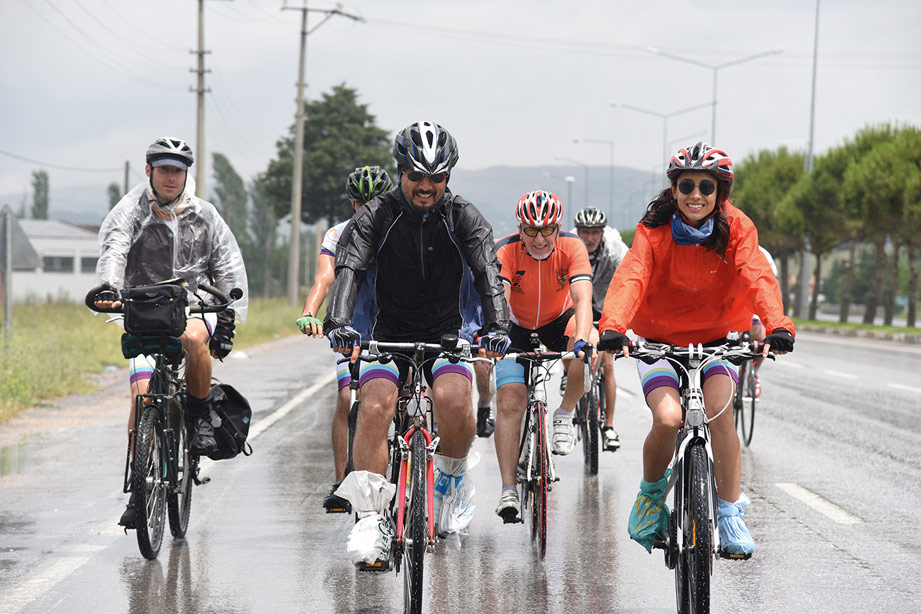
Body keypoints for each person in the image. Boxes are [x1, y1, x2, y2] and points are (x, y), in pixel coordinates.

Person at [322, 121, 510, 564]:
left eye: (437, 177)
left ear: (448, 177)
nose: (426, 187)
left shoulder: (464, 216)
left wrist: (497, 326)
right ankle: (370, 518)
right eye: (417, 176)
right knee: (373, 405)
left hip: (446, 331)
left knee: (454, 399)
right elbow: (349, 269)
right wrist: (339, 321)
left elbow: (488, 273)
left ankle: (449, 478)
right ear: (401, 170)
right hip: (389, 334)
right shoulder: (376, 215)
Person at [597, 142, 794, 559]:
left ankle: (728, 512)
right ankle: (650, 498)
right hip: (659, 341)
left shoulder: (738, 227)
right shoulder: (652, 230)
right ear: (674, 189)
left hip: (720, 339)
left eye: (707, 186)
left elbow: (756, 275)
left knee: (720, 414)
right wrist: (613, 326)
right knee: (668, 419)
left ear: (720, 191)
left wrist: (776, 325)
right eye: (686, 185)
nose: (696, 194)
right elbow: (631, 276)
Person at [94, 136, 248, 529]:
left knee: (194, 339)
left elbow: (226, 264)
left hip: (195, 306)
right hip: (145, 308)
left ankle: (196, 418)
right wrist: (111, 288)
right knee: (141, 393)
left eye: (177, 171)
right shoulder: (130, 210)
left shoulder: (205, 214)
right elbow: (114, 249)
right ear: (149, 171)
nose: (170, 177)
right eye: (163, 169)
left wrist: (226, 308)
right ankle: (137, 490)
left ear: (185, 175)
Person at [492, 190, 596, 522]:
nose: (539, 238)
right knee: (510, 400)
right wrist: (495, 334)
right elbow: (500, 298)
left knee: (587, 344)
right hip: (515, 325)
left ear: (558, 227)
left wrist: (580, 338)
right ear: (520, 228)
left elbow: (582, 298)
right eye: (531, 230)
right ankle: (508, 488)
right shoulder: (505, 249)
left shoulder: (573, 247)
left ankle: (564, 413)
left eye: (547, 230)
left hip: (559, 319)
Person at [296, 165, 393, 514]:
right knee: (344, 398)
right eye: (360, 202)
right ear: (352, 204)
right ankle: (341, 482)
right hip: (352, 323)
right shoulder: (338, 234)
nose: (366, 208)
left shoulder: (399, 228)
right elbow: (325, 278)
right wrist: (310, 310)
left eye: (375, 201)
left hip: (395, 324)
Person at [572, 206, 628, 451]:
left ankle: (609, 426)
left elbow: (627, 282)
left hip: (607, 306)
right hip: (578, 305)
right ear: (579, 232)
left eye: (595, 233)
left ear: (603, 233)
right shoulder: (570, 246)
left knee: (607, 363)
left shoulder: (616, 250)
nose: (590, 238)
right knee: (576, 347)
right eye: (585, 232)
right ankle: (570, 377)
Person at [748, 245, 779, 397]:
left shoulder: (764, 255)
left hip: (754, 303)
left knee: (759, 335)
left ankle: (753, 373)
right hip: (731, 303)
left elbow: (770, 289)